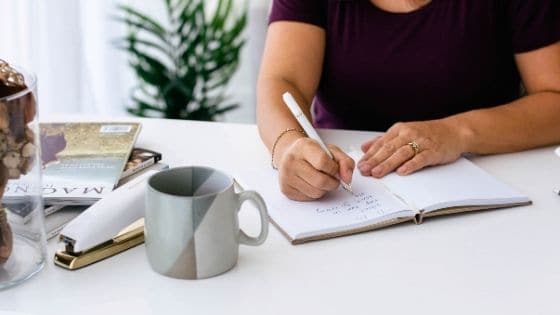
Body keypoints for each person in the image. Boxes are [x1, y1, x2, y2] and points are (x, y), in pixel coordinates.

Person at [256, 0, 560, 201]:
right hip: (350, 192)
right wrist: (288, 147)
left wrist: (457, 132)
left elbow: (554, 98)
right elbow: (283, 81)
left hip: (488, 185)